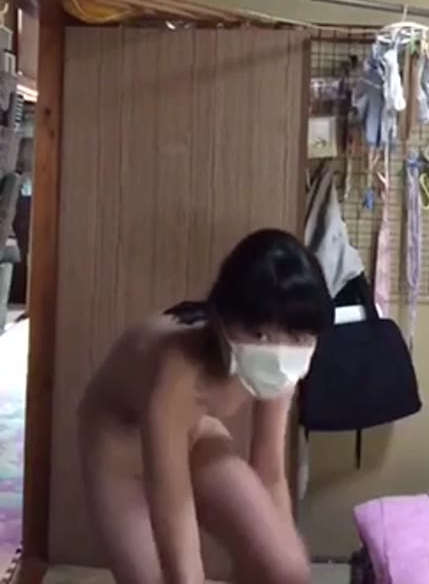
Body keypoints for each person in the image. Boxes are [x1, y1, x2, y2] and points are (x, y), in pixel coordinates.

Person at [78, 229, 332, 584]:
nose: (278, 349)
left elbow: (270, 471)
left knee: (288, 569)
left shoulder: (284, 362)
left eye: (298, 337)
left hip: (193, 433)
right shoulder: (178, 371)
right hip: (118, 445)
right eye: (258, 334)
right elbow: (173, 506)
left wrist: (285, 561)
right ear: (222, 320)